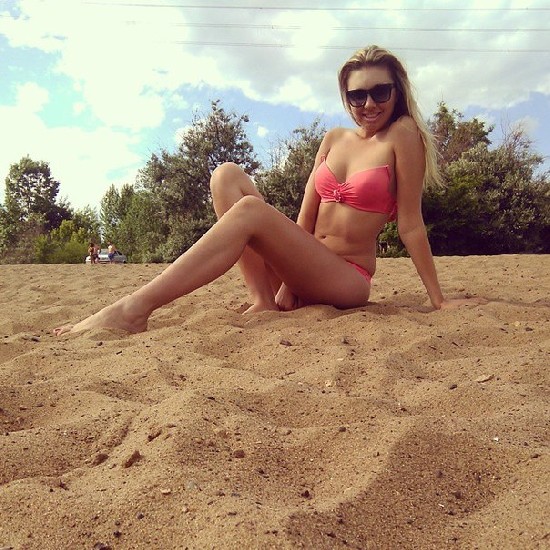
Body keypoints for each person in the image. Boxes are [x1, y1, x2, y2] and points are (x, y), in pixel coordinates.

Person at [54, 45, 484, 336]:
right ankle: (262, 299)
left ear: (397, 91)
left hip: (345, 278)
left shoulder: (402, 135)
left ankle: (133, 309)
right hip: (303, 267)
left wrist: (438, 300)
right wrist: (289, 282)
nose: (369, 104)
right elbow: (305, 217)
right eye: (357, 95)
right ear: (346, 97)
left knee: (251, 211)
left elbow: (410, 224)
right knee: (226, 175)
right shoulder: (334, 138)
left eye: (380, 91)